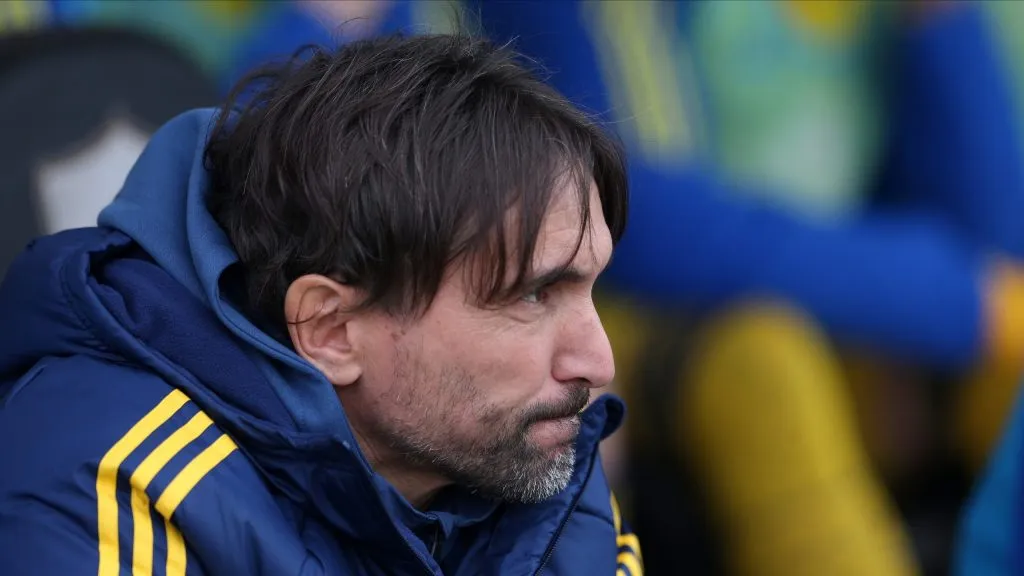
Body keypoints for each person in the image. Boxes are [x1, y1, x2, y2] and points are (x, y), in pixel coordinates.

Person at [0, 31, 640, 576]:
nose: (596, 361)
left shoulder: (537, 455)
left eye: (589, 288)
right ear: (331, 330)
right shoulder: (111, 485)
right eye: (533, 295)